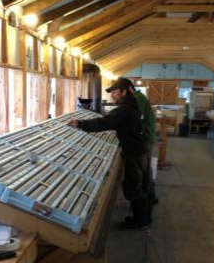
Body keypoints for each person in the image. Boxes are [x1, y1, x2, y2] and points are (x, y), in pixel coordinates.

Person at [68, 80, 151, 229]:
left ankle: (141, 221)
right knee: (139, 185)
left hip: (135, 153)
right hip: (140, 150)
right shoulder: (133, 106)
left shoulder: (124, 109)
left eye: (115, 91)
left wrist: (80, 124)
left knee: (133, 187)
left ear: (124, 91)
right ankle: (142, 217)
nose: (112, 95)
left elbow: (103, 123)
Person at [116, 78, 159, 207]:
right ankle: (149, 197)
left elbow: (131, 117)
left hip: (144, 137)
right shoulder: (138, 97)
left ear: (128, 90)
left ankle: (148, 197)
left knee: (142, 171)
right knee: (144, 169)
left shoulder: (137, 98)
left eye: (120, 92)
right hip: (143, 137)